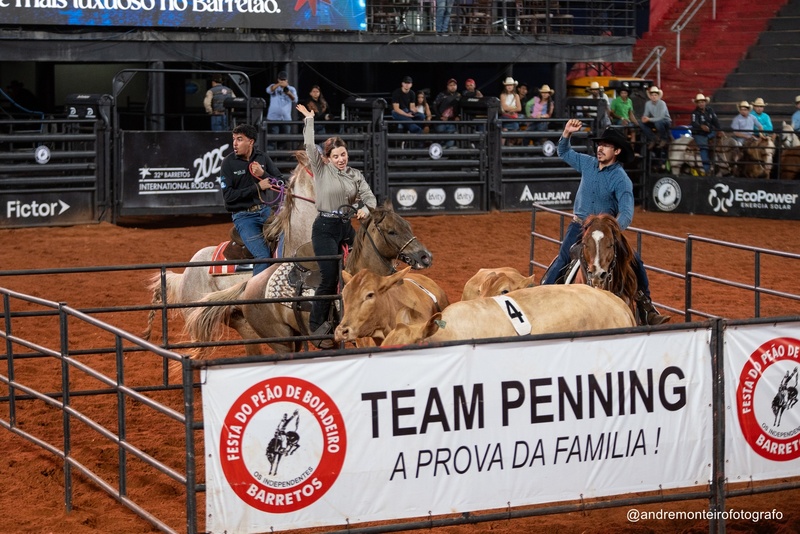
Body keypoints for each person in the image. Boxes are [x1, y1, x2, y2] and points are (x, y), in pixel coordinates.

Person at [541, 119, 668, 326]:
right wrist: (566, 133)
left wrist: (613, 230)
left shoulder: (621, 179)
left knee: (635, 262)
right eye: (599, 144)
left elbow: (626, 212)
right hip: (580, 226)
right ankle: (543, 293)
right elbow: (563, 152)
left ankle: (646, 307)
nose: (600, 148)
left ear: (617, 151)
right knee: (564, 257)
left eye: (606, 145)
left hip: (608, 231)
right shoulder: (587, 163)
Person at [296, 103, 378, 348]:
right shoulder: (321, 170)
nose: (341, 159)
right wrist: (309, 120)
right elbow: (310, 146)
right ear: (328, 159)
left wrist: (365, 208)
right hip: (325, 227)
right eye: (336, 156)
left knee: (361, 270)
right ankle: (317, 326)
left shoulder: (355, 175)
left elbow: (370, 197)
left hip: (345, 227)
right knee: (330, 276)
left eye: (343, 155)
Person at [219, 124, 284, 276]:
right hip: (244, 217)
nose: (235, 143)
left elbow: (281, 183)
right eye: (234, 139)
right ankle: (257, 297)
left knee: (289, 237)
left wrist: (264, 174)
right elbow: (228, 198)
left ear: (251, 141)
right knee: (263, 256)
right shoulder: (228, 163)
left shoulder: (262, 157)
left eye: (239, 139)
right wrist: (257, 187)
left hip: (265, 211)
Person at [689, 93, 721, 175]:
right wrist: (701, 126)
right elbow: (694, 123)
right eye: (699, 102)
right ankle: (707, 169)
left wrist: (720, 130)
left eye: (702, 102)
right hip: (699, 134)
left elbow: (715, 120)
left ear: (705, 102)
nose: (701, 104)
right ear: (697, 103)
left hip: (710, 132)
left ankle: (720, 165)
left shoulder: (710, 110)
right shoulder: (694, 113)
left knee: (720, 142)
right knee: (704, 147)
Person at [266, 71, 298, 149]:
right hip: (273, 118)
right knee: (273, 139)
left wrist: (288, 93)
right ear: (278, 79)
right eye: (281, 79)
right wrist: (279, 84)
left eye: (284, 80)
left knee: (285, 139)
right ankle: (272, 158)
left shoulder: (291, 89)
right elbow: (269, 90)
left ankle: (282, 158)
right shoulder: (274, 86)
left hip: (286, 118)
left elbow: (295, 100)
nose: (283, 81)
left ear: (287, 80)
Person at [432, 79, 460, 147]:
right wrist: (440, 116)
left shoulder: (458, 95)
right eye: (451, 85)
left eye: (454, 85)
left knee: (450, 143)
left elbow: (459, 108)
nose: (452, 87)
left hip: (451, 122)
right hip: (441, 122)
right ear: (447, 86)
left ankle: (448, 155)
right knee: (440, 141)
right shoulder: (442, 94)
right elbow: (434, 105)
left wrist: (458, 116)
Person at [500, 77, 521, 144]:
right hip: (505, 118)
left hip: (513, 118)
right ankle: (502, 150)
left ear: (513, 86)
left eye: (511, 85)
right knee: (504, 132)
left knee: (512, 137)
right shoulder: (502, 95)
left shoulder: (516, 96)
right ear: (505, 86)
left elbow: (519, 108)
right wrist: (513, 108)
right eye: (507, 85)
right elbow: (504, 107)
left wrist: (509, 108)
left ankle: (510, 152)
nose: (509, 87)